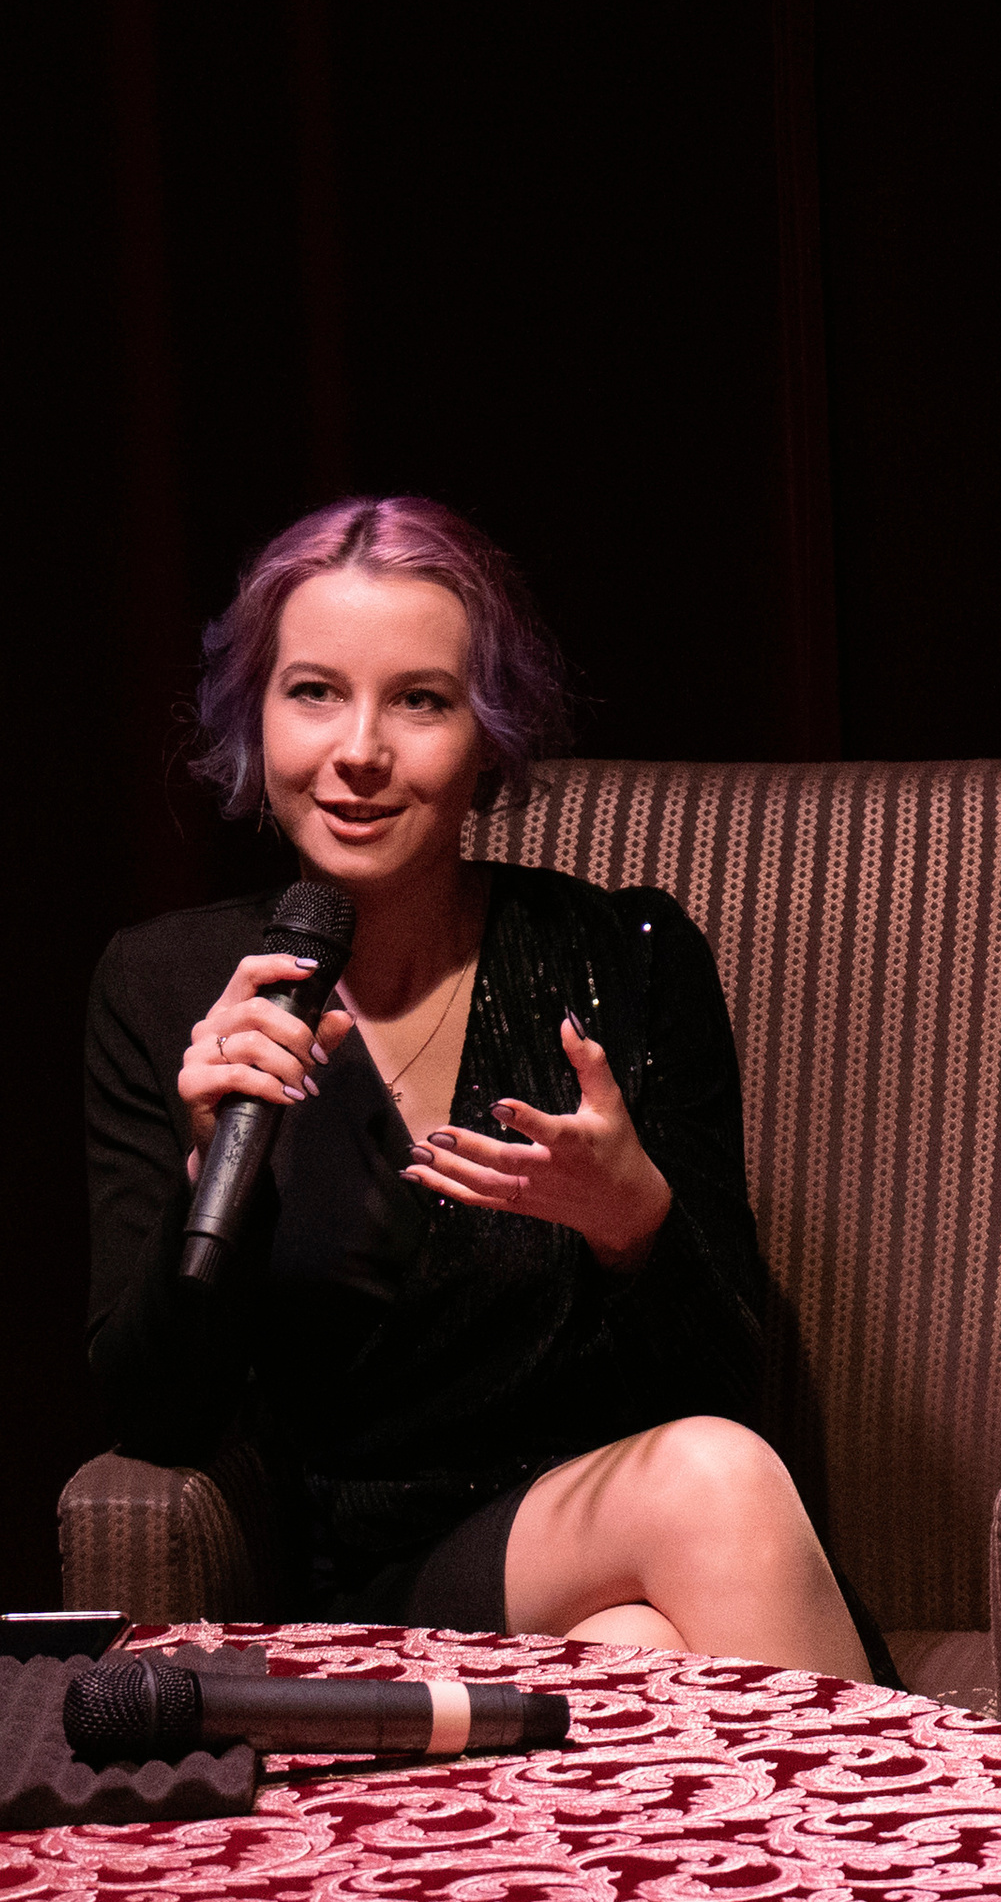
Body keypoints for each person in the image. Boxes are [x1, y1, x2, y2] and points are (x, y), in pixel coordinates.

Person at [86, 495, 873, 1675]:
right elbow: (154, 1419)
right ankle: (914, 1802)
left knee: (634, 1641)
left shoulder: (626, 960)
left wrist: (634, 1224)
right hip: (367, 1579)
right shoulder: (167, 987)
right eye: (314, 691)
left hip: (629, 1536)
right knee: (710, 1480)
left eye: (420, 700)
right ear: (256, 715)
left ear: (489, 739)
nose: (360, 749)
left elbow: (726, 1382)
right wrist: (215, 1170)